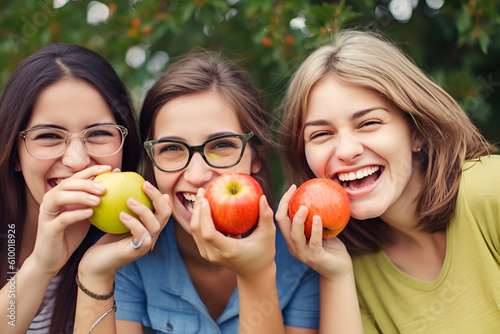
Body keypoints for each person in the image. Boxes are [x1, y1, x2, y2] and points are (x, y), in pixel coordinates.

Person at [74, 50, 320, 334]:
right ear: (151, 164)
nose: (197, 175)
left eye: (221, 145)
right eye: (172, 149)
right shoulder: (130, 253)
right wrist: (95, 275)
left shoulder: (301, 256)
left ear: (256, 158)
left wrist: (257, 276)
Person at [275, 28, 500, 333]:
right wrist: (336, 274)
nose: (347, 151)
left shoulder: (490, 191)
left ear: (418, 131)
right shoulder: (353, 268)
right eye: (321, 134)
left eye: (368, 123)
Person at [0, 43, 170, 334]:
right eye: (49, 135)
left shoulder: (135, 247)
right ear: (15, 154)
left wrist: (97, 272)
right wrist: (40, 266)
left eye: (99, 133)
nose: (77, 160)